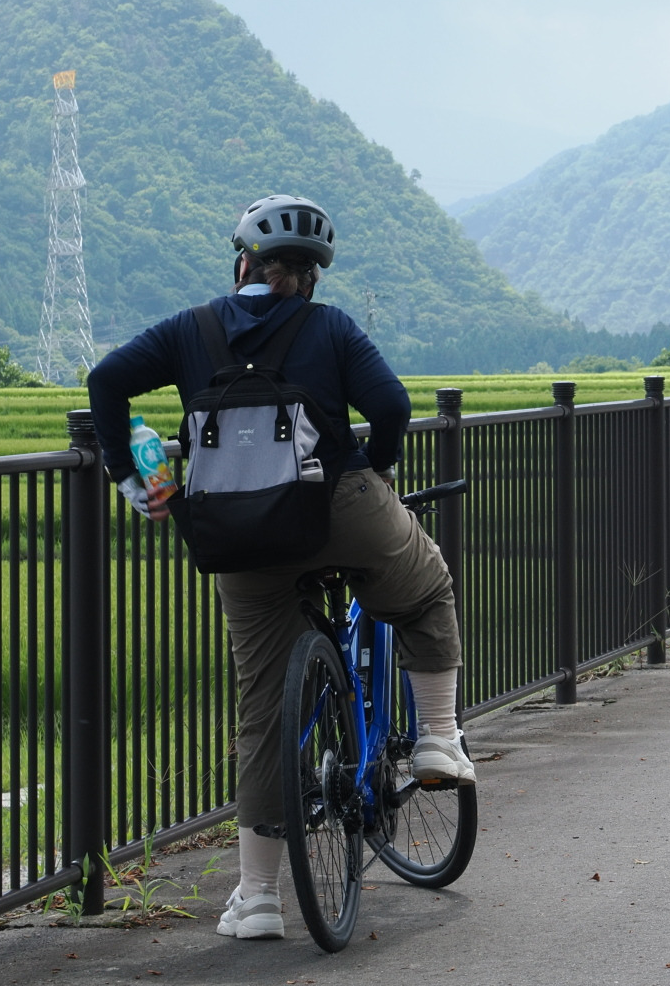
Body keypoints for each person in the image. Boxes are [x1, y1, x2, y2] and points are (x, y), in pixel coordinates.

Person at [86, 194, 474, 942]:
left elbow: (106, 381)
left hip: (238, 536)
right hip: (341, 508)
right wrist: (373, 468)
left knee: (264, 709)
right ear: (311, 277)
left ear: (243, 265)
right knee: (426, 591)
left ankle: (260, 899)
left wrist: (132, 479)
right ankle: (436, 737)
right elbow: (391, 406)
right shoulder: (329, 326)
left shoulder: (190, 329)